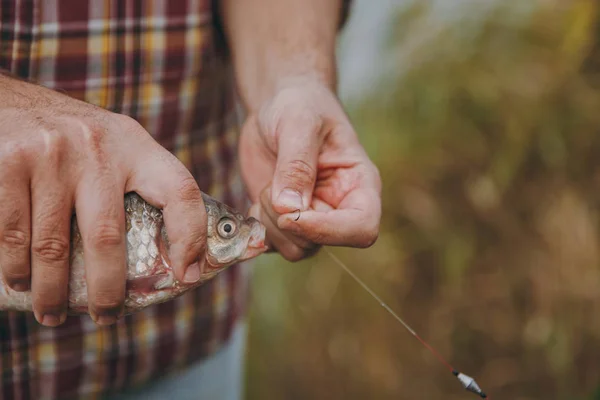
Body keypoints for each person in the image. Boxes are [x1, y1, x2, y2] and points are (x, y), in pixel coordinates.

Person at [0, 0, 382, 399]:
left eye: (226, 227)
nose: (234, 233)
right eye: (226, 229)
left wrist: (295, 80)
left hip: (192, 349)